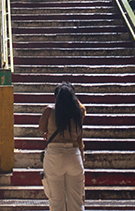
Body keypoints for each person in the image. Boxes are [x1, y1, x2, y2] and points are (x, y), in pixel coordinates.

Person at [39, 82, 85, 211]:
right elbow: (82, 108)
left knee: (56, 201)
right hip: (74, 155)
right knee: (76, 201)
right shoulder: (78, 112)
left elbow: (42, 128)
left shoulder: (49, 110)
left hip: (54, 156)